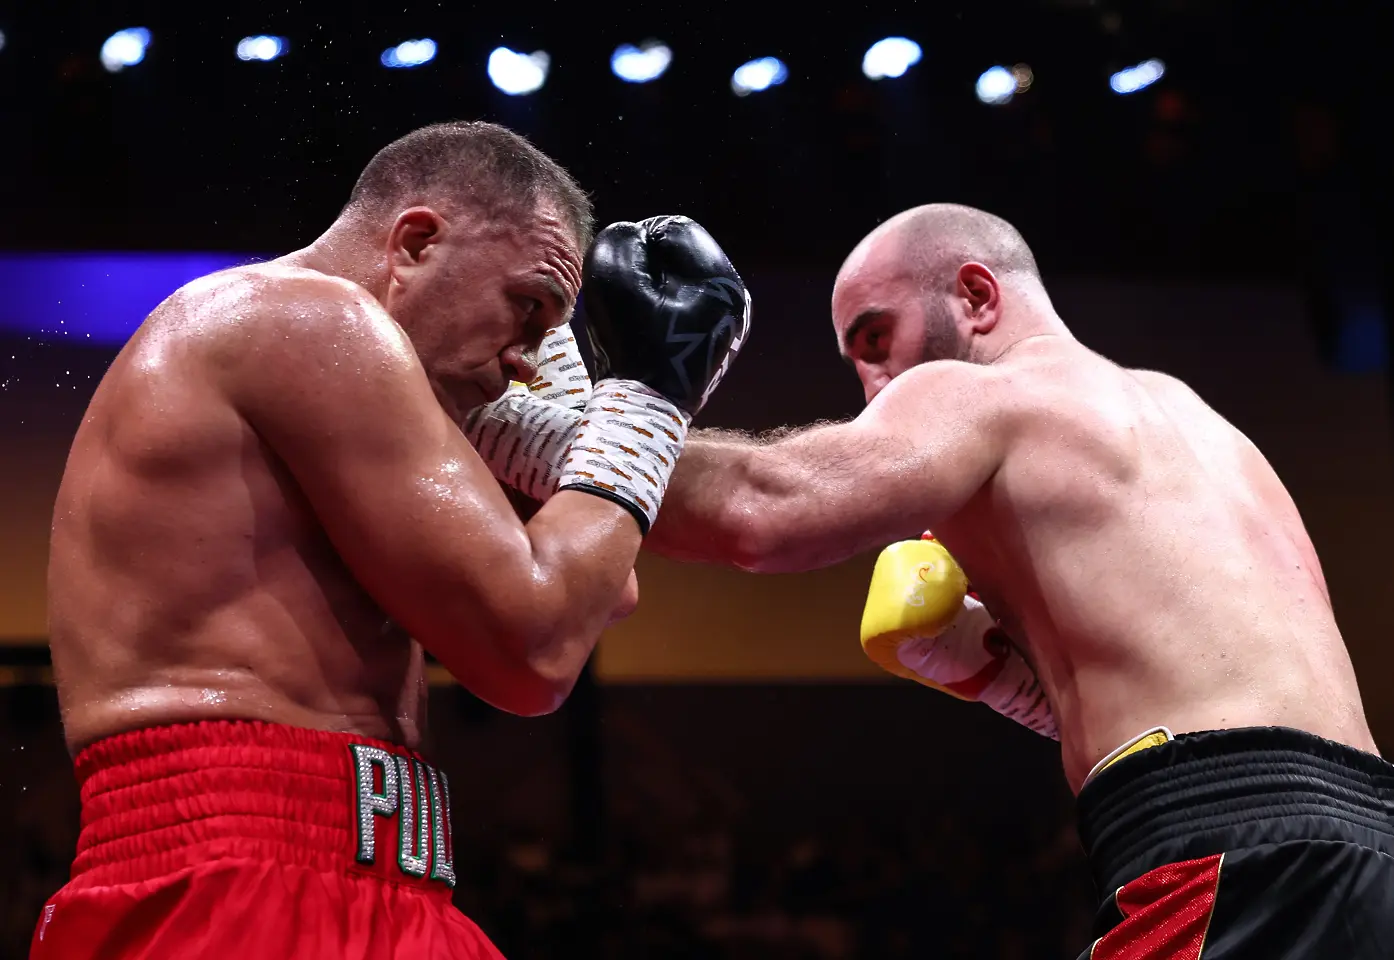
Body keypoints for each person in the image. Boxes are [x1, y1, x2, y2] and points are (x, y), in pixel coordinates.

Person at [473, 203, 1394, 956]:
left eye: (878, 338)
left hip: (1235, 855)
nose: (876, 386)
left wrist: (535, 422)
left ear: (979, 295)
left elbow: (762, 510)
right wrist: (992, 673)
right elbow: (1205, 697)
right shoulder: (1203, 425)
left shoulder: (989, 394)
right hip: (1367, 842)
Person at [37, 120, 750, 959]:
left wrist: (555, 383)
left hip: (384, 886)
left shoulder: (354, 385)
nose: (524, 360)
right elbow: (537, 639)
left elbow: (600, 589)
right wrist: (649, 403)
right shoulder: (302, 316)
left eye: (544, 330)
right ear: (414, 242)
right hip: (235, 879)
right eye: (525, 308)